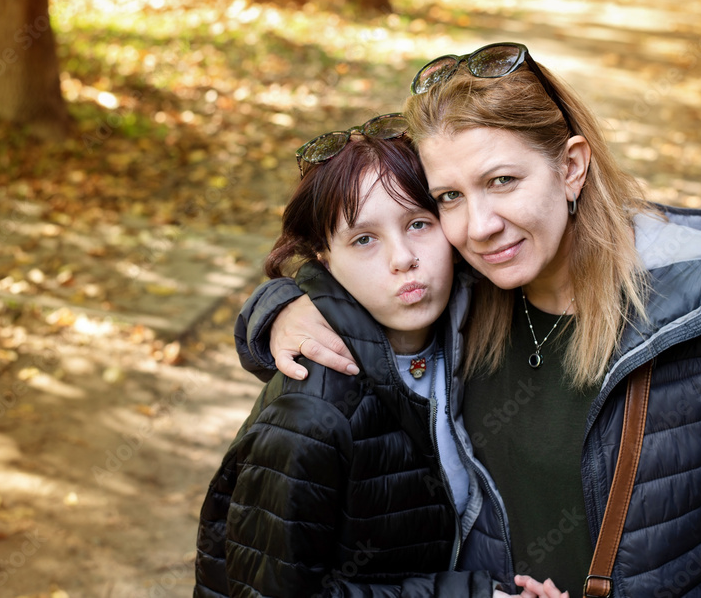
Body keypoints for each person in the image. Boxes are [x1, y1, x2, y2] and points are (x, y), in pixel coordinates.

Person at [233, 43, 701, 598]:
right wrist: (276, 310)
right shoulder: (460, 295)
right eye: (449, 196)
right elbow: (356, 280)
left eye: (502, 182)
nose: (479, 226)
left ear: (570, 167)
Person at [192, 116, 499, 597]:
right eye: (364, 239)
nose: (403, 258)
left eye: (419, 223)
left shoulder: (478, 327)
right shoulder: (313, 412)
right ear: (324, 257)